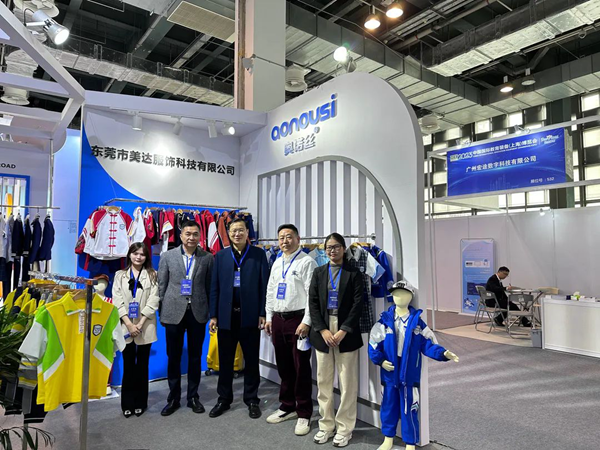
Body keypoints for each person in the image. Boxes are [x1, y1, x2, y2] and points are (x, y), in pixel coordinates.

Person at [208, 218, 269, 419]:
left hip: (250, 317)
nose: (237, 234)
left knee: (251, 360)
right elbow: (214, 287)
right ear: (228, 233)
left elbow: (264, 286)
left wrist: (263, 312)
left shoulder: (259, 255)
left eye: (241, 230)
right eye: (233, 230)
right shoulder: (220, 256)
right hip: (226, 317)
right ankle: (224, 399)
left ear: (247, 232)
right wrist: (213, 315)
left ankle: (251, 399)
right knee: (225, 360)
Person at [308, 233, 364, 448]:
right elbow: (312, 303)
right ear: (324, 250)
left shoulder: (354, 273)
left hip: (345, 332)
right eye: (329, 247)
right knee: (323, 381)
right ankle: (326, 425)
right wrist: (322, 330)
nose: (333, 251)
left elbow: (358, 304)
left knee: (347, 382)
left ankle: (345, 428)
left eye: (337, 247)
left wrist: (343, 331)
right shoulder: (318, 272)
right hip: (323, 330)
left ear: (344, 248)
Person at [264, 224, 316, 436]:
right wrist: (269, 317)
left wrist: (307, 322)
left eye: (289, 237)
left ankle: (304, 412)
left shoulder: (307, 262)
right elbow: (270, 291)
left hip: (298, 320)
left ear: (298, 239)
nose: (284, 241)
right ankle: (287, 406)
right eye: (281, 238)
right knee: (284, 365)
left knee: (300, 366)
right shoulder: (277, 262)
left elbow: (312, 295)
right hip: (278, 319)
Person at [158, 220, 213, 416]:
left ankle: (193, 397)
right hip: (173, 312)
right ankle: (173, 398)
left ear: (200, 236)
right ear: (181, 236)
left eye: (195, 234)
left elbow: (209, 287)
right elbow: (162, 285)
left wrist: (211, 313)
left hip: (197, 312)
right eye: (188, 234)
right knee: (173, 357)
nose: (191, 238)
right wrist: (161, 311)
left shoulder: (207, 258)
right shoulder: (167, 256)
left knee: (195, 357)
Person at [113, 242, 160, 418]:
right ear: (129, 255)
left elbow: (154, 300)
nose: (138, 257)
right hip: (126, 326)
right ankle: (127, 403)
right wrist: (129, 324)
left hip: (145, 326)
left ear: (146, 257)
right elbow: (117, 300)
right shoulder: (120, 275)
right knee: (128, 366)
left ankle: (141, 402)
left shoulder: (153, 275)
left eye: (142, 254)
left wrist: (139, 324)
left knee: (142, 366)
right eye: (135, 253)